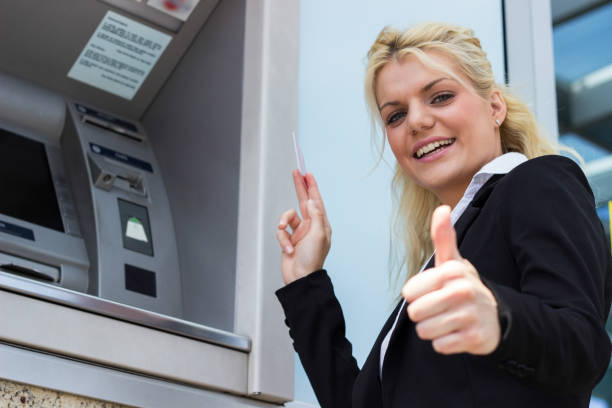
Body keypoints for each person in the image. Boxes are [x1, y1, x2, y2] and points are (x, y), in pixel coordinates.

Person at [275, 22, 612, 407]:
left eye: (440, 97)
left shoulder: (538, 182)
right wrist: (305, 282)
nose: (416, 121)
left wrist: (498, 319)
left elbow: (582, 343)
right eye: (396, 115)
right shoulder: (442, 260)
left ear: (495, 107)